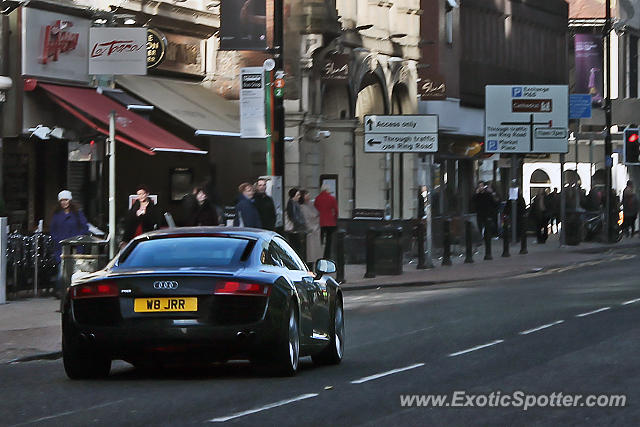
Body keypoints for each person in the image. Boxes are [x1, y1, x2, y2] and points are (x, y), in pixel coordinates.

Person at [49, 190, 89, 296]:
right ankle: (62, 292)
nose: (64, 202)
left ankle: (73, 292)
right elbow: (53, 230)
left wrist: (77, 239)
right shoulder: (56, 215)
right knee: (61, 273)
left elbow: (84, 227)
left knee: (76, 271)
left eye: (66, 200)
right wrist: (58, 240)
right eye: (62, 200)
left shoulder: (77, 214)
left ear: (70, 200)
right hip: (61, 248)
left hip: (76, 247)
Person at [299, 189, 322, 266]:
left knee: (314, 252)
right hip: (310, 231)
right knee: (310, 252)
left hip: (315, 230)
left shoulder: (310, 204)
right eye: (306, 195)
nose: (308, 196)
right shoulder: (302, 207)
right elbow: (306, 219)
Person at [314, 185, 338, 259]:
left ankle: (319, 255)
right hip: (330, 221)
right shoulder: (332, 198)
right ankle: (327, 256)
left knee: (319, 239)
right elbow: (336, 210)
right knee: (329, 240)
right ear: (328, 190)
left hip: (320, 221)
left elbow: (315, 208)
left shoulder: (317, 198)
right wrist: (335, 219)